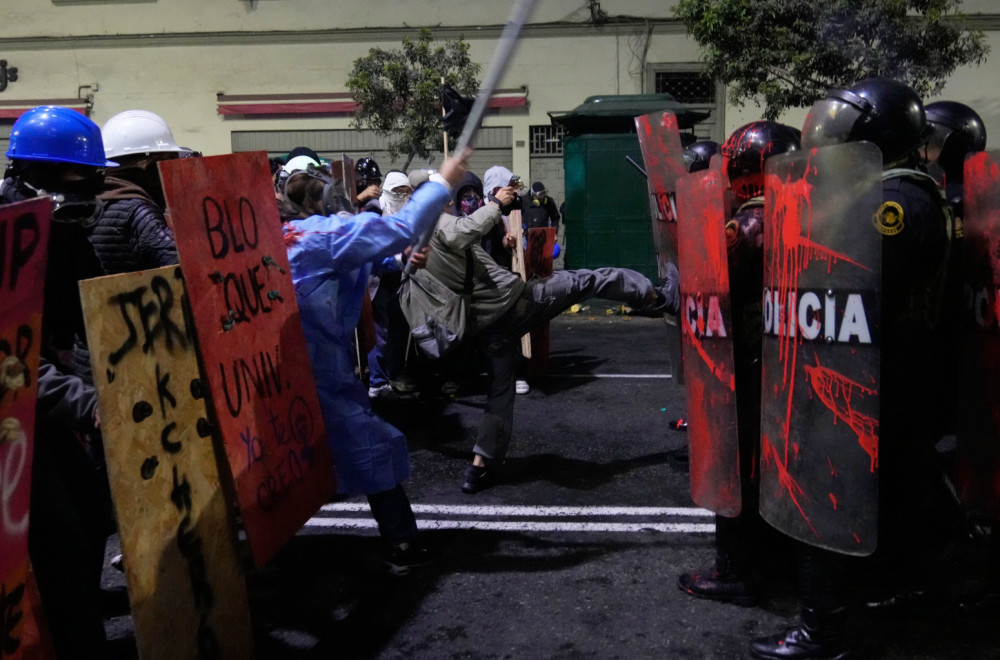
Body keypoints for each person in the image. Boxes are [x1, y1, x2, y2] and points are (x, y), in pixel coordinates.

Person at [751, 78, 954, 660]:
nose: (827, 134)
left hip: (875, 373)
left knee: (826, 491)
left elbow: (847, 275)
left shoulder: (899, 202)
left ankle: (823, 632)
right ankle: (908, 593)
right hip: (888, 370)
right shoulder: (894, 191)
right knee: (894, 494)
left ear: (880, 133)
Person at [418, 179, 680, 494]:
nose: (452, 204)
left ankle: (480, 467)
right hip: (514, 305)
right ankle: (660, 298)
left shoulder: (412, 246)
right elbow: (464, 230)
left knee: (499, 394)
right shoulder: (440, 225)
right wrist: (497, 204)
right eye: (447, 201)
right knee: (589, 280)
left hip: (486, 327)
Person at [282, 149, 470, 574]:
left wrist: (399, 259)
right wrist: (442, 182)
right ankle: (402, 541)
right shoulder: (322, 235)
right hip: (317, 370)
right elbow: (397, 229)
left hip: (309, 363)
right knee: (372, 445)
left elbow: (359, 255)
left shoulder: (298, 234)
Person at [1, 105, 120, 657]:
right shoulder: (8, 238)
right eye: (82, 177)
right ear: (38, 175)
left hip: (40, 404)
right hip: (12, 412)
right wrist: (87, 402)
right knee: (63, 534)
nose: (94, 190)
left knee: (90, 512)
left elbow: (105, 302)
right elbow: (8, 353)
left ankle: (75, 626)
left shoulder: (64, 227)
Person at [677, 121, 800, 607]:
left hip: (747, 364)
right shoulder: (804, 212)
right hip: (788, 364)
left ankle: (737, 571)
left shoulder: (747, 225)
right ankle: (777, 558)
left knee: (739, 466)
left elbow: (711, 281)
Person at [367, 170, 420, 398]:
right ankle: (377, 381)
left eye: (406, 191)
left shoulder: (408, 212)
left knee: (399, 329)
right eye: (397, 191)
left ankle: (394, 374)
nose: (402, 196)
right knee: (380, 332)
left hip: (402, 277)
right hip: (379, 280)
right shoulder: (374, 211)